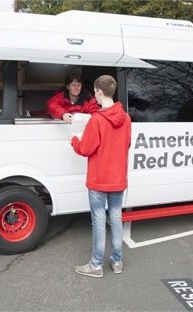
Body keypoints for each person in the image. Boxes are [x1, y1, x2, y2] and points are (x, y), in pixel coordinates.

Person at [71, 75, 131, 277]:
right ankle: (116, 262)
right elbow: (126, 144)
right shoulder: (127, 118)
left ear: (99, 91)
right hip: (118, 178)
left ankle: (96, 265)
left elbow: (85, 149)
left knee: (98, 221)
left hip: (98, 179)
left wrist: (74, 141)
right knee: (116, 218)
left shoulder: (97, 120)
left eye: (94, 92)